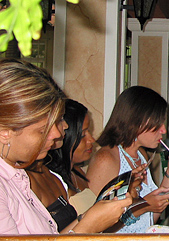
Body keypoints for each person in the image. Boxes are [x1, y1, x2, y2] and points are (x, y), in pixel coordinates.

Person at [0, 59, 132, 234]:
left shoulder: (17, 176)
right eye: (43, 130)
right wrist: (89, 226)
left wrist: (91, 217)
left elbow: (50, 237)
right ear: (5, 132)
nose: (56, 134)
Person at [86, 86, 169, 233]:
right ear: (137, 121)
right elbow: (93, 228)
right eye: (158, 123)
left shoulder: (141, 154)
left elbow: (150, 218)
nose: (164, 130)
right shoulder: (106, 159)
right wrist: (143, 206)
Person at [46, 99, 97, 215]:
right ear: (64, 135)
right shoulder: (51, 181)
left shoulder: (78, 173)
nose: (91, 140)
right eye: (83, 135)